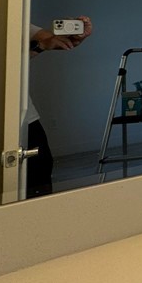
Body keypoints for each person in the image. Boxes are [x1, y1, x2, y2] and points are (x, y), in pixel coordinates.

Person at [26, 15, 93, 196]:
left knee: (39, 178)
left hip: (24, 117)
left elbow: (45, 38)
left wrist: (67, 38)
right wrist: (43, 44)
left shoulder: (9, 15)